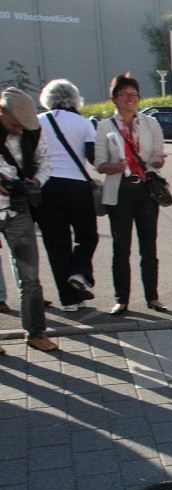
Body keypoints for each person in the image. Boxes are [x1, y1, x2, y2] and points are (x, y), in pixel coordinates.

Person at [94, 74, 168, 315]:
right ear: (114, 98)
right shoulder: (105, 126)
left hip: (146, 189)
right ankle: (121, 298)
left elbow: (158, 154)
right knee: (121, 246)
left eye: (134, 95)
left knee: (149, 246)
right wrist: (116, 166)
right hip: (120, 189)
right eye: (124, 94)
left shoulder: (150, 123)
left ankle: (153, 297)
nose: (130, 99)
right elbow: (99, 163)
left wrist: (157, 161)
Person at [0, 87, 57, 353]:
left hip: (18, 206)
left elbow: (46, 161)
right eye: (15, 124)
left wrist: (36, 181)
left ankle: (35, 332)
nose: (20, 130)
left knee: (30, 275)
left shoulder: (33, 130)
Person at [36, 79, 99, 313]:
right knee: (87, 235)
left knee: (56, 243)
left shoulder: (37, 122)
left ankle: (69, 301)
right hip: (76, 185)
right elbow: (93, 158)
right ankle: (79, 272)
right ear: (75, 98)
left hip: (45, 186)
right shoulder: (83, 123)